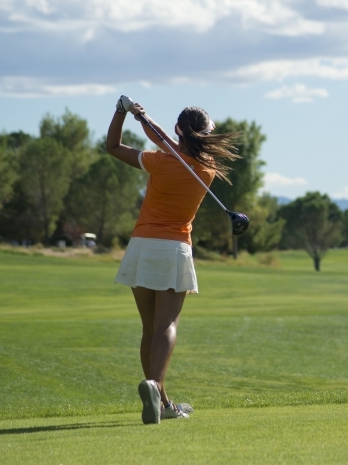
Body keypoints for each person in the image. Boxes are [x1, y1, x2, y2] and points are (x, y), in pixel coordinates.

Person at [106, 96, 239, 424]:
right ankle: (155, 387)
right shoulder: (206, 170)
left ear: (178, 130)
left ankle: (162, 400)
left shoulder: (158, 160)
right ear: (205, 135)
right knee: (166, 325)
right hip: (174, 248)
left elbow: (113, 146)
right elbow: (168, 140)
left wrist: (123, 113)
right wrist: (145, 119)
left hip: (141, 246)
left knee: (149, 328)